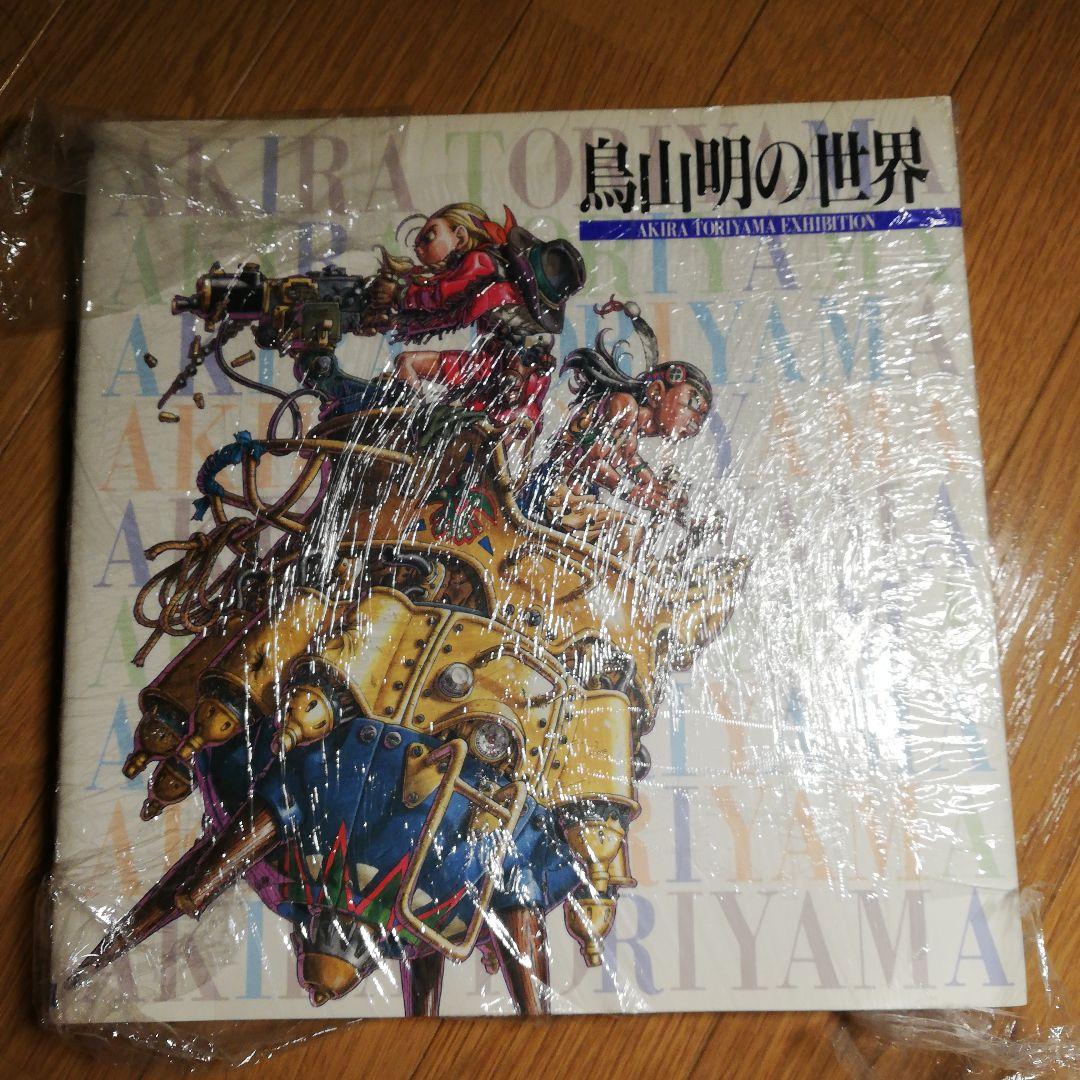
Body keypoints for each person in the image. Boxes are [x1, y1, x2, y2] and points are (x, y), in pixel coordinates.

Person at [369, 203, 584, 440]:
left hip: (498, 370)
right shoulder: (500, 281)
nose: (417, 248)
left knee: (407, 363)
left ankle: (418, 431)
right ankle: (422, 429)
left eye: (429, 237)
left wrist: (400, 297)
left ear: (460, 236)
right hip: (514, 374)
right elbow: (447, 313)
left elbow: (442, 301)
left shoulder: (482, 264)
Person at [519, 322, 713, 558]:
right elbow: (590, 461)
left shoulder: (630, 432)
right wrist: (635, 494)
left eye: (702, 415)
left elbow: (636, 468)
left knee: (627, 539)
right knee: (629, 533)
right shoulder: (623, 405)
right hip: (553, 495)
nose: (696, 422)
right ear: (656, 392)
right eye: (692, 404)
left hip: (575, 499)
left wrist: (672, 504)